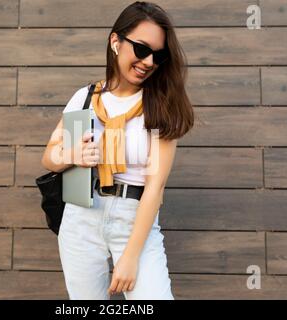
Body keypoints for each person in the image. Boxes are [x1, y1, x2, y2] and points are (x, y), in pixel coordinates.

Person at [41, 1, 194, 300]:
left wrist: (131, 256)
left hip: (134, 219)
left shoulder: (159, 105)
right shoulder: (86, 98)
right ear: (116, 42)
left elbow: (155, 187)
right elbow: (49, 157)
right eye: (141, 49)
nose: (149, 61)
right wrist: (72, 155)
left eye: (158, 55)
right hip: (81, 217)